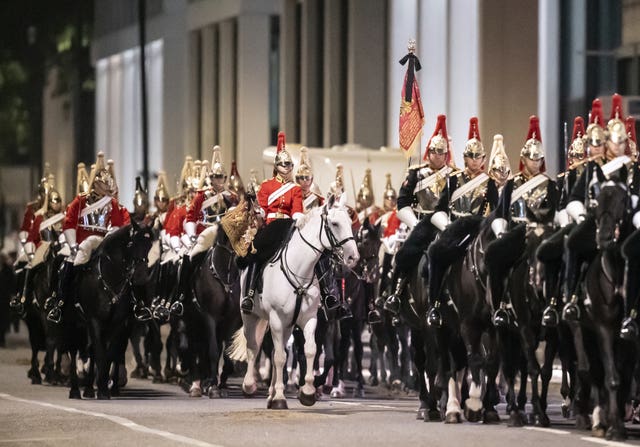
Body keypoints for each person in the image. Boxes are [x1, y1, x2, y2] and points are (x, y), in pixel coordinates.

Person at [562, 93, 634, 323]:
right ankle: (570, 297)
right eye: (614, 141)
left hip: (628, 222)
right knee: (573, 243)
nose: (618, 146)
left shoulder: (633, 168)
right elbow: (574, 198)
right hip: (597, 220)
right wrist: (582, 215)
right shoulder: (593, 168)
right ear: (606, 142)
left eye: (622, 141)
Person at [425, 117, 501, 327]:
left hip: (479, 228)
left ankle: (501, 305)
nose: (475, 160)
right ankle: (435, 304)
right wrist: (447, 226)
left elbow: (495, 210)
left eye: (478, 157)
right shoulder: (453, 180)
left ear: (484, 159)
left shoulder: (489, 183)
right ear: (464, 158)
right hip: (456, 229)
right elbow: (440, 209)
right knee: (435, 253)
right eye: (471, 156)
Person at [486, 116, 558, 327]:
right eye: (531, 158)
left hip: (545, 231)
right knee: (492, 255)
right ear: (523, 158)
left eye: (539, 159)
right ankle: (500, 305)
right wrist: (501, 231)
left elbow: (556, 210)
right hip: (518, 231)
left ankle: (556, 302)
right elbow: (500, 213)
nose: (535, 162)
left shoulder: (550, 184)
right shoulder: (511, 184)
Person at [383, 114, 458, 314]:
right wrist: (414, 223)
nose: (439, 156)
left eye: (443, 153)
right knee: (405, 254)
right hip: (419, 223)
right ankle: (396, 293)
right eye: (435, 152)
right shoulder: (416, 173)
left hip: (446, 224)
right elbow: (402, 202)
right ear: (429, 152)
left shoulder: (454, 176)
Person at [47, 152, 134, 323]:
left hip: (102, 242)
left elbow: (116, 226)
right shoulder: (80, 201)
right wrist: (72, 245)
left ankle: (134, 304)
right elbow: (69, 223)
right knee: (63, 262)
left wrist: (109, 242)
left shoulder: (112, 204)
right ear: (96, 183)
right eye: (104, 183)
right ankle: (60, 300)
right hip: (78, 244)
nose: (108, 186)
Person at [240, 131, 304, 314]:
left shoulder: (296, 189)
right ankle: (250, 295)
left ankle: (323, 294)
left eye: (289, 164)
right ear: (276, 166)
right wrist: (258, 210)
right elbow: (262, 210)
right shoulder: (267, 186)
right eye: (283, 164)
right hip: (270, 227)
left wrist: (299, 219)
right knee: (256, 253)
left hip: (288, 227)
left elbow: (297, 210)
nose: (287, 167)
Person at [539, 115, 589, 327]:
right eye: (574, 155)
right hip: (569, 223)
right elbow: (560, 206)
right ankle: (553, 300)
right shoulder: (564, 178)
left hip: (595, 224)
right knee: (550, 251)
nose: (576, 159)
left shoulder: (593, 173)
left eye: (580, 155)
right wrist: (565, 222)